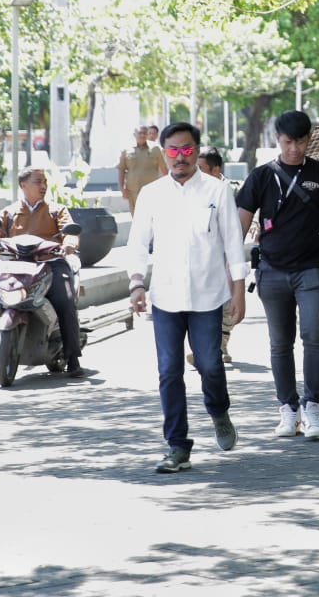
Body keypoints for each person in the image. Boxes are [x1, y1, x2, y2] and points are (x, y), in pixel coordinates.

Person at [127, 123, 248, 474]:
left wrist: (239, 290)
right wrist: (136, 283)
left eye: (187, 149)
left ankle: (219, 411)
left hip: (208, 296)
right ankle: (177, 446)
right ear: (164, 153)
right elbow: (138, 243)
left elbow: (232, 242)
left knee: (210, 364)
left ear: (196, 150)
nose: (180, 157)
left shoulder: (217, 191)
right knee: (169, 371)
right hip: (165, 296)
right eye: (173, 150)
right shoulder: (152, 194)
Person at [236, 110, 319, 439]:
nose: (294, 148)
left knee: (314, 336)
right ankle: (287, 408)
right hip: (272, 270)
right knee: (280, 343)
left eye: (301, 141)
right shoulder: (261, 176)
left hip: (312, 269)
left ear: (310, 139)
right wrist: (231, 271)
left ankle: (312, 407)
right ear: (277, 139)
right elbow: (239, 225)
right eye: (288, 141)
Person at [0, 167, 85, 377]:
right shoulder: (9, 213)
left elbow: (70, 232)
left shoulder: (56, 210)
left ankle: (73, 357)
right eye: (38, 181)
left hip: (51, 263)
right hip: (16, 266)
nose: (43, 186)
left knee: (65, 300)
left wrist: (69, 243)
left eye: (44, 182)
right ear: (23, 185)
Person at [196, 146, 239, 363]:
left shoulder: (234, 190)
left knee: (227, 303)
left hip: (228, 257)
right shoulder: (193, 191)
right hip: (202, 257)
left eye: (201, 169)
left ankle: (221, 344)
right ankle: (205, 348)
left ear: (216, 170)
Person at [118, 125, 167, 215]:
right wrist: (122, 188)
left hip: (151, 191)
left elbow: (164, 169)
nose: (142, 135)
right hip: (133, 191)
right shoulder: (126, 150)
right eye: (140, 133)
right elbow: (121, 170)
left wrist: (167, 187)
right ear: (134, 134)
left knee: (151, 215)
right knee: (135, 216)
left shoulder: (155, 149)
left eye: (145, 133)